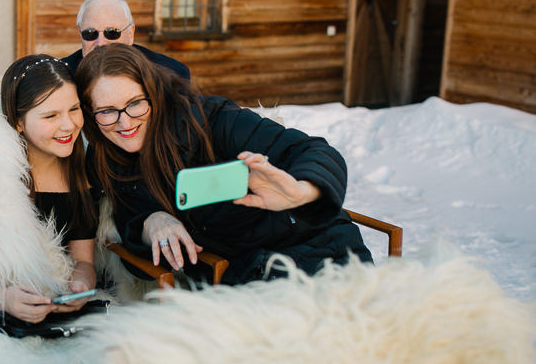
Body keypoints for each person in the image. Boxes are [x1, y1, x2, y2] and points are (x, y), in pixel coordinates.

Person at [76, 44, 372, 285]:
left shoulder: (211, 120)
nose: (125, 121)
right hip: (240, 279)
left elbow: (311, 149)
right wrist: (151, 222)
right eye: (107, 111)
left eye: (135, 103)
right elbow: (138, 245)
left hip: (319, 253)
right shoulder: (109, 157)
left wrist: (301, 193)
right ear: (91, 114)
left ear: (153, 93)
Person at [0, 55, 98, 322]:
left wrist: (80, 288)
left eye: (74, 109)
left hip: (52, 312)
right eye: (51, 115)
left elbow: (83, 261)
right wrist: (3, 299)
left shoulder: (81, 173)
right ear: (18, 122)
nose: (68, 125)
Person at [61, 0, 190, 80]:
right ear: (80, 33)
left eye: (112, 33)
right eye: (90, 33)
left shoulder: (169, 73)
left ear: (130, 34)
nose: (100, 43)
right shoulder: (61, 75)